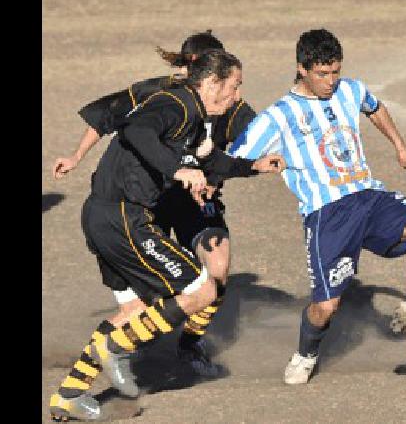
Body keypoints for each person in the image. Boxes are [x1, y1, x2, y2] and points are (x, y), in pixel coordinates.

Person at [48, 49, 284, 421]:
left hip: (103, 214)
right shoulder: (177, 104)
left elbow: (207, 161)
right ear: (211, 83)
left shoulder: (193, 118)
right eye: (234, 86)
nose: (237, 96)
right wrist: (177, 172)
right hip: (125, 216)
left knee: (133, 309)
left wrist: (252, 166)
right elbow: (138, 131)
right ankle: (117, 349)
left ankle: (68, 395)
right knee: (202, 290)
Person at [229, 28, 406, 385]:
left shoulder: (350, 90)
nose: (331, 81)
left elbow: (374, 108)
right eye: (322, 74)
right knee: (326, 307)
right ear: (301, 68)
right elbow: (235, 158)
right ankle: (306, 353)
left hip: (368, 196)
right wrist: (256, 166)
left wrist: (400, 146)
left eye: (335, 72)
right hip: (327, 213)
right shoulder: (279, 115)